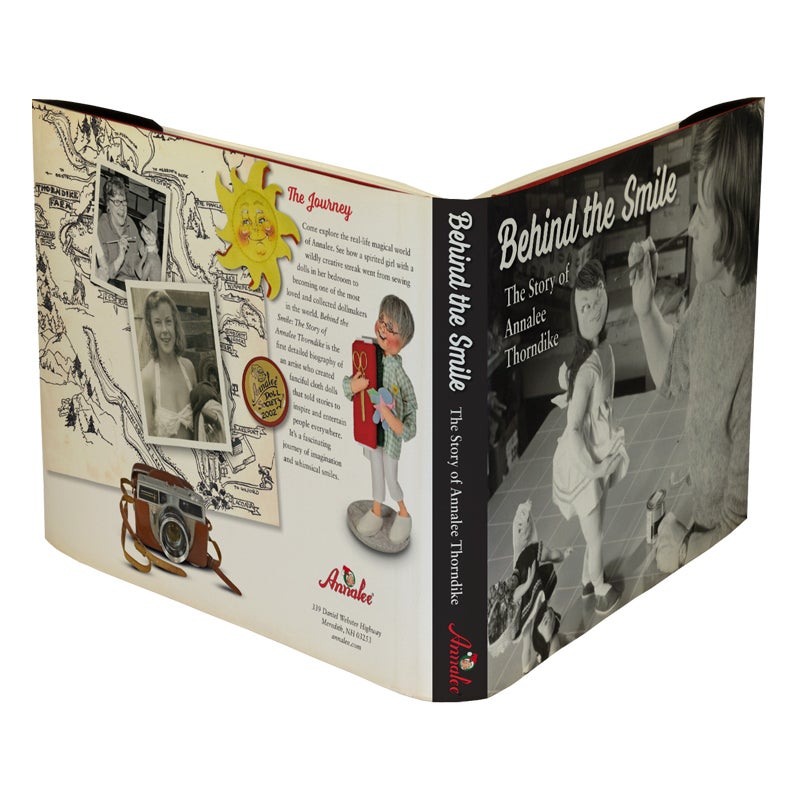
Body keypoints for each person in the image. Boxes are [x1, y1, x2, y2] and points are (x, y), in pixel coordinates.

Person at [630, 102, 763, 573]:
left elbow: (745, 528)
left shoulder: (759, 348)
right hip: (702, 525)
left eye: (703, 214)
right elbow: (673, 374)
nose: (690, 229)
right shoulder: (711, 289)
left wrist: (684, 550)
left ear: (736, 222)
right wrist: (645, 310)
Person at [551, 258, 629, 614]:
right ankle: (598, 586)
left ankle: (586, 578)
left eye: (597, 299)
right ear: (575, 313)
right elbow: (572, 430)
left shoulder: (603, 352)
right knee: (594, 533)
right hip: (581, 462)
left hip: (597, 449)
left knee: (596, 522)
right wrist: (594, 469)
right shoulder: (586, 373)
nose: (594, 310)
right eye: (585, 306)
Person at [343, 295, 417, 544]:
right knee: (375, 471)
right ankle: (376, 511)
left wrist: (394, 420)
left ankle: (403, 513)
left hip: (390, 436)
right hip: (371, 430)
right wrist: (353, 386)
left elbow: (411, 411)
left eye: (390, 327)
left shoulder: (399, 373)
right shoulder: (368, 354)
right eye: (382, 321)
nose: (382, 329)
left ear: (403, 339)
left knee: (391, 478)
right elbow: (348, 385)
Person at [487, 500, 572, 673]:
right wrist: (528, 582)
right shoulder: (525, 556)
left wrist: (563, 555)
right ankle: (530, 665)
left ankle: (537, 658)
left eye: (524, 527)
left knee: (536, 631)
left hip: (531, 597)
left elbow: (551, 554)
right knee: (530, 637)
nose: (522, 532)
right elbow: (516, 593)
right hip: (526, 603)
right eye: (519, 529)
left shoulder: (529, 551)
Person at [140, 290, 197, 441]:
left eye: (168, 321)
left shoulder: (189, 369)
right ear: (151, 328)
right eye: (158, 322)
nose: (165, 330)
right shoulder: (147, 378)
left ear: (175, 324)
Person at [94, 175, 145, 290]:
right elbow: (106, 275)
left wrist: (148, 252)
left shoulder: (130, 223)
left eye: (124, 201)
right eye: (117, 201)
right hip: (114, 285)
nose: (122, 207)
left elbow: (142, 252)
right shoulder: (100, 228)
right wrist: (120, 257)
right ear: (108, 205)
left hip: (136, 285)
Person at [138, 210, 162, 282]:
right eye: (144, 233)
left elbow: (141, 280)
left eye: (149, 234)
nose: (146, 237)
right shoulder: (153, 254)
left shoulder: (151, 259)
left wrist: (142, 259)